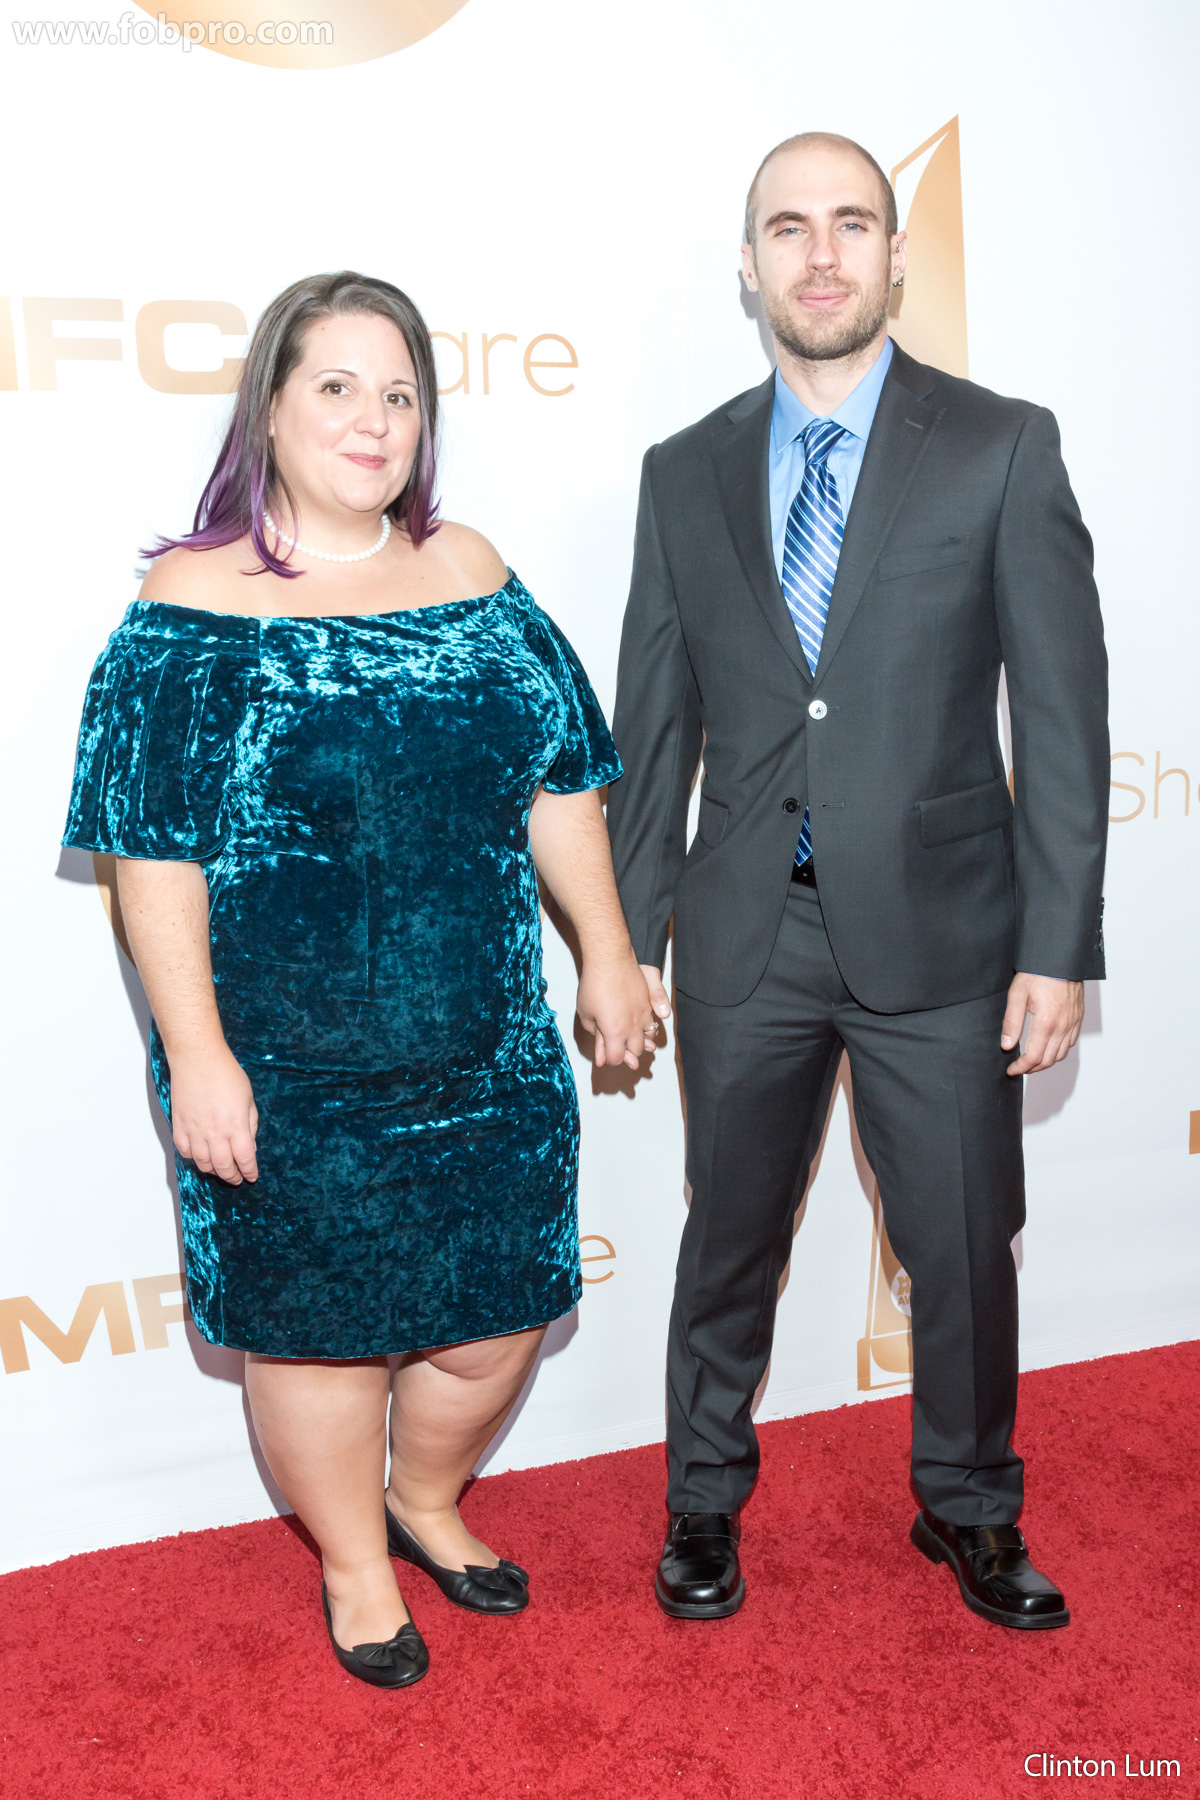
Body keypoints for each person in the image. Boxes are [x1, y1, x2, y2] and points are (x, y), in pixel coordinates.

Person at [63, 270, 657, 1688]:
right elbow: (152, 860)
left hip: (486, 1052)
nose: (372, 419)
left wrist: (610, 952)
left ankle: (426, 1500)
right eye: (336, 386)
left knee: (500, 1322)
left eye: (398, 394)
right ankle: (352, 1564)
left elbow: (561, 781)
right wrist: (198, 1058)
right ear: (269, 407)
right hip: (286, 1073)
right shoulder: (188, 605)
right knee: (319, 1347)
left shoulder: (473, 573)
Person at [606, 134, 1108, 1630]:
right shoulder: (683, 471)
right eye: (788, 228)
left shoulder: (1001, 444)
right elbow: (653, 728)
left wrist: (1059, 943)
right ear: (747, 263)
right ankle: (703, 1501)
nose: (819, 255)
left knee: (960, 1244)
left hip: (948, 940)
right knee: (728, 1239)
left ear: (895, 255)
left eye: (851, 224)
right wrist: (627, 941)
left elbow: (1063, 716)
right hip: (746, 936)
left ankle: (970, 1506)